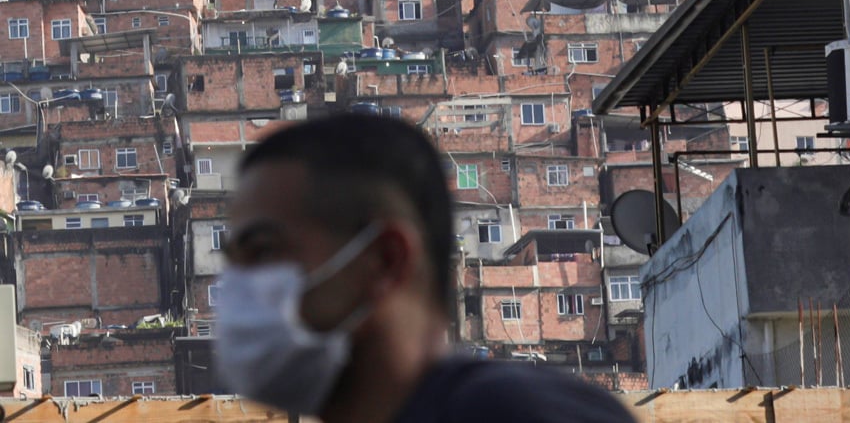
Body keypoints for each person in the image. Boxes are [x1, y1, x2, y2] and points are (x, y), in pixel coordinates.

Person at [215, 113, 637, 423]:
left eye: (263, 251)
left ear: (384, 260)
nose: (235, 287)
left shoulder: (512, 413)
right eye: (232, 261)